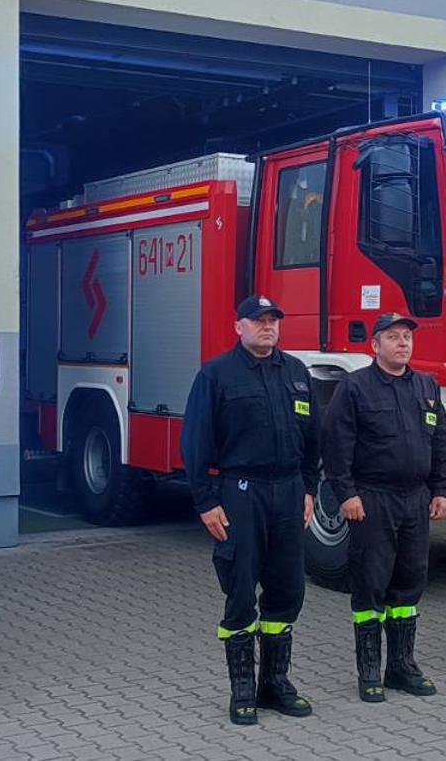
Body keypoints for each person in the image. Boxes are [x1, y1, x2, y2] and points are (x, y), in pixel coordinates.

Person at [180, 295, 319, 726]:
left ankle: (274, 683)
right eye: (258, 321)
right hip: (241, 492)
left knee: (288, 588)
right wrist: (206, 501)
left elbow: (313, 437)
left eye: (274, 320)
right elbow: (196, 441)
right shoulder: (217, 375)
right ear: (238, 326)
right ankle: (243, 689)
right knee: (241, 590)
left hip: (289, 491)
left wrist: (310, 489)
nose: (268, 328)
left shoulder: (296, 373)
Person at [322, 312, 446, 703]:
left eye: (407, 337)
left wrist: (443, 490)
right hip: (372, 498)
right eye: (393, 337)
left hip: (415, 499)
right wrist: (346, 493)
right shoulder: (355, 388)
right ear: (374, 345)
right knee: (371, 583)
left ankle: (402, 667)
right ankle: (369, 672)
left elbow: (441, 442)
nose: (403, 343)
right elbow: (336, 443)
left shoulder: (426, 386)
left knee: (410, 583)